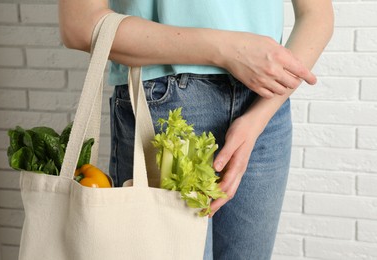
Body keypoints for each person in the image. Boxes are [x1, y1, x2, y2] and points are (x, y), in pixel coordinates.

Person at [59, 1, 334, 259]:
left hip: (265, 106)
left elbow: (317, 15)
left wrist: (257, 118)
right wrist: (231, 49)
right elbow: (80, 26)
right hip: (165, 106)